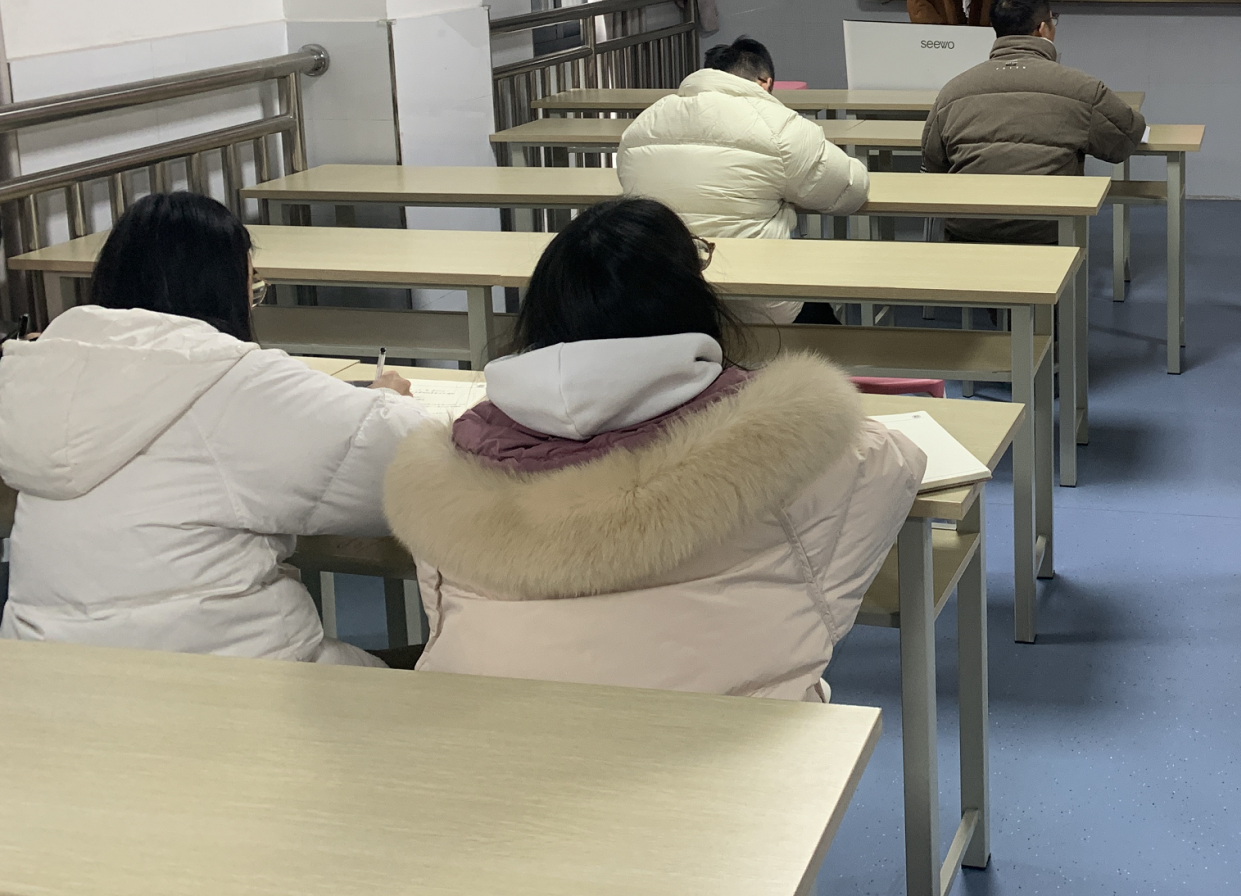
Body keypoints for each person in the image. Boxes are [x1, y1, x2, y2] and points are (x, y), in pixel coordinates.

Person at [383, 197, 924, 699]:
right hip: (728, 752)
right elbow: (894, 466)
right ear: (690, 298)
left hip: (491, 748)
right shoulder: (797, 440)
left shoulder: (443, 478)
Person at [0, 192, 421, 665]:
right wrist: (385, 400)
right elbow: (411, 468)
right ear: (220, 289)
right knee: (439, 677)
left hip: (46, 677)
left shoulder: (44, 372)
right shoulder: (231, 381)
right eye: (251, 287)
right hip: (220, 680)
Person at [619, 34, 867, 325]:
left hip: (659, 300)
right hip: (756, 306)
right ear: (765, 83)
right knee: (821, 317)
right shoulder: (780, 126)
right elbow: (849, 189)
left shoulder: (643, 123)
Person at [922, 0, 1146, 243]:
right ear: (1042, 29)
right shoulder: (1081, 88)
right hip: (1046, 227)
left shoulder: (953, 91)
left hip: (969, 226)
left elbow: (933, 162)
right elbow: (1126, 138)